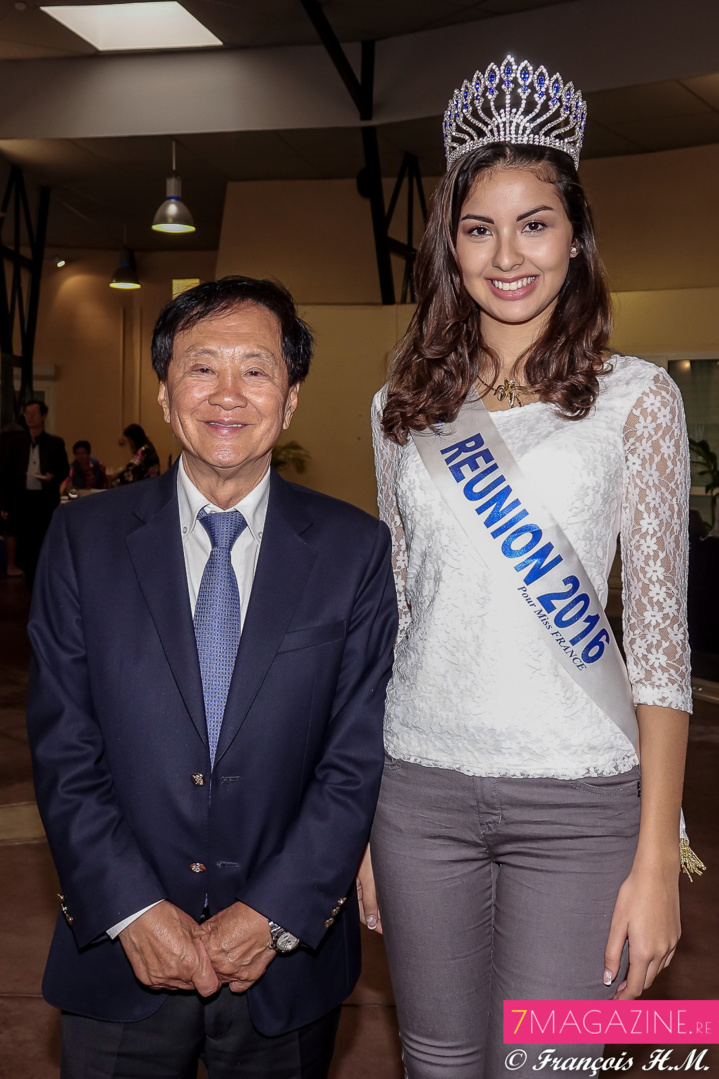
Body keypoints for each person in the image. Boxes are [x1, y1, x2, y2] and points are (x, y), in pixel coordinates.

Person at [361, 55, 694, 1077]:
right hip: (417, 792)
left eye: (534, 223)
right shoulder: (398, 409)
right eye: (478, 228)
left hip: (578, 799)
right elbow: (397, 613)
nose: (506, 255)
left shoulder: (637, 398)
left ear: (574, 235)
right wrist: (362, 826)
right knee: (434, 1058)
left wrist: (655, 858)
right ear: (449, 245)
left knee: (549, 1065)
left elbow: (659, 643)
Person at [27, 276, 397, 1078]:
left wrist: (274, 912)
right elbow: (63, 743)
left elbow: (355, 755)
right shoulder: (83, 539)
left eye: (255, 369)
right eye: (202, 367)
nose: (227, 393)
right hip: (119, 950)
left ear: (289, 399)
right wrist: (131, 907)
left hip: (283, 963)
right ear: (165, 393)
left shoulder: (353, 550)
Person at [0, 399, 68, 588]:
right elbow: (6, 474)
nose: (29, 417)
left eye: (34, 413)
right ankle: (31, 587)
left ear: (43, 416)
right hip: (22, 500)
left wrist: (52, 476)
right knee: (26, 546)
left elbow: (64, 469)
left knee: (44, 542)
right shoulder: (15, 443)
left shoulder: (55, 443)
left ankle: (44, 585)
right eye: (27, 414)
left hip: (44, 501)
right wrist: (4, 503)